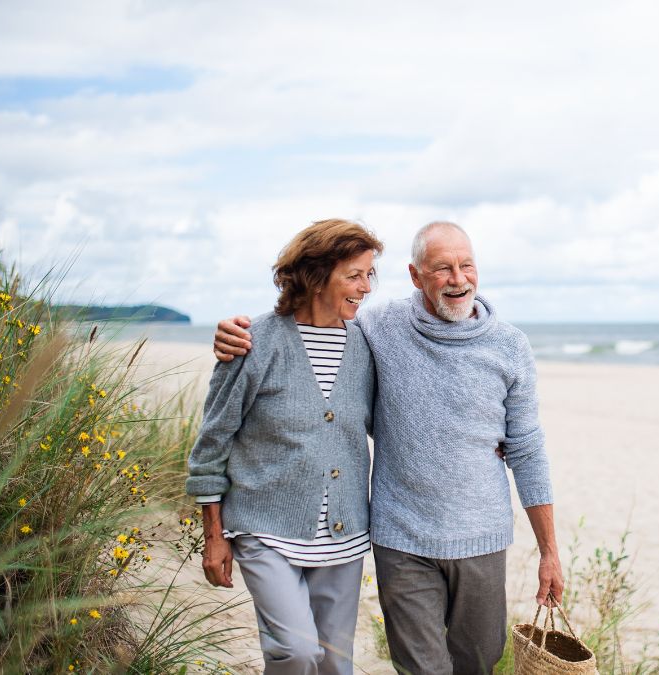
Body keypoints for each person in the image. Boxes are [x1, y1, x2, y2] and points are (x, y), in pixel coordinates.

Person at [214, 221, 562, 675]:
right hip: (401, 537)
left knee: (479, 660)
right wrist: (233, 333)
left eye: (467, 265)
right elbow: (308, 326)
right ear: (416, 276)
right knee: (420, 668)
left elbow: (528, 450)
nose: (458, 279)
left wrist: (549, 551)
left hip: (481, 535)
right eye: (443, 268)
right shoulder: (377, 326)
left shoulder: (510, 346)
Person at [187, 219, 382, 675]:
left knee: (336, 664)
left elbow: (391, 421)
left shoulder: (368, 347)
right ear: (315, 276)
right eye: (354, 275)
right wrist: (213, 537)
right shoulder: (253, 342)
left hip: (344, 534)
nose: (366, 287)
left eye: (371, 274)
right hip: (264, 529)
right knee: (295, 654)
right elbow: (211, 443)